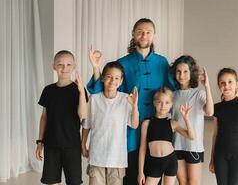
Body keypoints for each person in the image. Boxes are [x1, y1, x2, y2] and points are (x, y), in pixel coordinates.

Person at [86, 18, 175, 185]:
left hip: (157, 123)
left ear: (154, 35)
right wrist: (96, 68)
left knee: (154, 172)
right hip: (130, 124)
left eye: (148, 32)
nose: (144, 35)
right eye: (140, 31)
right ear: (133, 34)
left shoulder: (162, 62)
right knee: (132, 173)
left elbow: (173, 88)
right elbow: (104, 90)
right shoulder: (123, 63)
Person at [81, 61, 139, 185]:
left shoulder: (126, 99)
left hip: (117, 159)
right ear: (103, 78)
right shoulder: (94, 99)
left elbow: (134, 125)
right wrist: (83, 143)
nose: (113, 81)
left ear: (122, 81)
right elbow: (87, 125)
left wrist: (134, 106)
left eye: (117, 78)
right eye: (109, 77)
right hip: (97, 156)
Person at [35, 50, 88, 185]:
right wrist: (40, 141)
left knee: (74, 182)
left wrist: (82, 92)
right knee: (52, 181)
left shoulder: (79, 90)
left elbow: (82, 115)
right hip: (51, 144)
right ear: (54, 66)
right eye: (60, 64)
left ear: (74, 66)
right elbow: (44, 117)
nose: (64, 68)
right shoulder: (48, 90)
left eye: (68, 65)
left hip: (72, 146)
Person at [170, 55, 214, 185]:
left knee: (193, 182)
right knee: (182, 182)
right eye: (178, 71)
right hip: (177, 144)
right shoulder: (173, 95)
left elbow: (210, 111)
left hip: (193, 146)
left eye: (185, 71)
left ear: (191, 73)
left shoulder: (198, 93)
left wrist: (207, 86)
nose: (181, 75)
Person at [138, 87, 195, 185]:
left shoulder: (172, 123)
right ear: (154, 103)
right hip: (154, 163)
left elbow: (191, 136)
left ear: (171, 105)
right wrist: (140, 172)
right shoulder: (146, 123)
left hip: (170, 161)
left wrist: (186, 118)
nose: (163, 106)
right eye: (159, 102)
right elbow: (143, 148)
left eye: (167, 102)